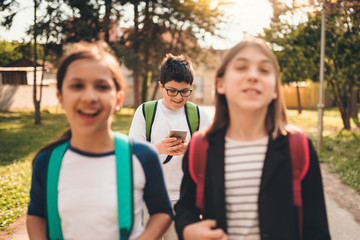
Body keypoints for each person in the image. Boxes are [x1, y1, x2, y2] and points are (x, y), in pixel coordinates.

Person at [174, 38, 331, 240]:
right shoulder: (201, 147)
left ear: (275, 89)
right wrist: (188, 230)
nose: (253, 76)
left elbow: (317, 231)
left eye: (264, 70)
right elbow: (185, 209)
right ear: (220, 84)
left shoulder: (298, 146)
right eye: (241, 67)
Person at [26, 41, 172, 240]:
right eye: (77, 86)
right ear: (60, 96)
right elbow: (36, 215)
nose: (89, 97)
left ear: (118, 99)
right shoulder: (47, 162)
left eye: (102, 86)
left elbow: (162, 212)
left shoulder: (142, 156)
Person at [129, 53, 211, 239]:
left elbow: (211, 159)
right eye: (172, 90)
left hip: (185, 200)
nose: (178, 97)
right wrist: (158, 148)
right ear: (160, 86)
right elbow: (132, 154)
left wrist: (190, 151)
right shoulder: (145, 112)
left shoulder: (199, 116)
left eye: (184, 91)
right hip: (149, 198)